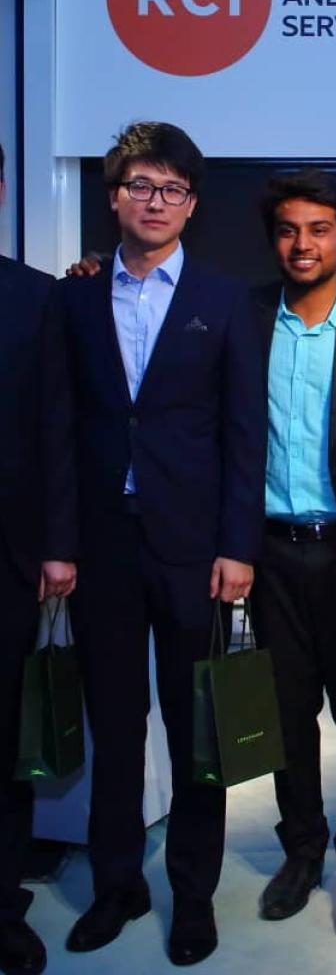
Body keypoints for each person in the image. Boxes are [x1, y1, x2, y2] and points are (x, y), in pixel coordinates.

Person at [57, 122, 266, 967]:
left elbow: (244, 434)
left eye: (173, 189)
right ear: (114, 197)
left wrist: (239, 547)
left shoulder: (224, 300)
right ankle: (117, 886)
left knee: (194, 731)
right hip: (101, 547)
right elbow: (60, 428)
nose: (156, 201)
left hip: (194, 550)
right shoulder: (74, 298)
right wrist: (59, 542)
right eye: (141, 186)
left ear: (191, 204)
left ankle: (193, 894)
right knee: (114, 727)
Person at [251, 169, 336, 934]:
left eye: (317, 230)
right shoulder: (245, 317)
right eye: (287, 230)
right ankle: (302, 852)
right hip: (270, 554)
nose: (301, 244)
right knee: (285, 718)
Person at [0, 144, 75, 975]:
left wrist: (59, 545)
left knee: (3, 739)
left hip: (9, 560)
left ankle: (3, 906)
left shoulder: (36, 298)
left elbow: (58, 426)